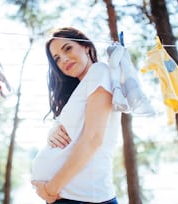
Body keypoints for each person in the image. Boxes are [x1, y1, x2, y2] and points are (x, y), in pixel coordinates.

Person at [31, 27, 121, 204]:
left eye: (67, 48)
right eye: (56, 58)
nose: (63, 59)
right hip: (72, 197)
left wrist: (51, 188)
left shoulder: (99, 71)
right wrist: (53, 132)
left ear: (85, 46)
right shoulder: (81, 89)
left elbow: (94, 139)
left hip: (85, 198)